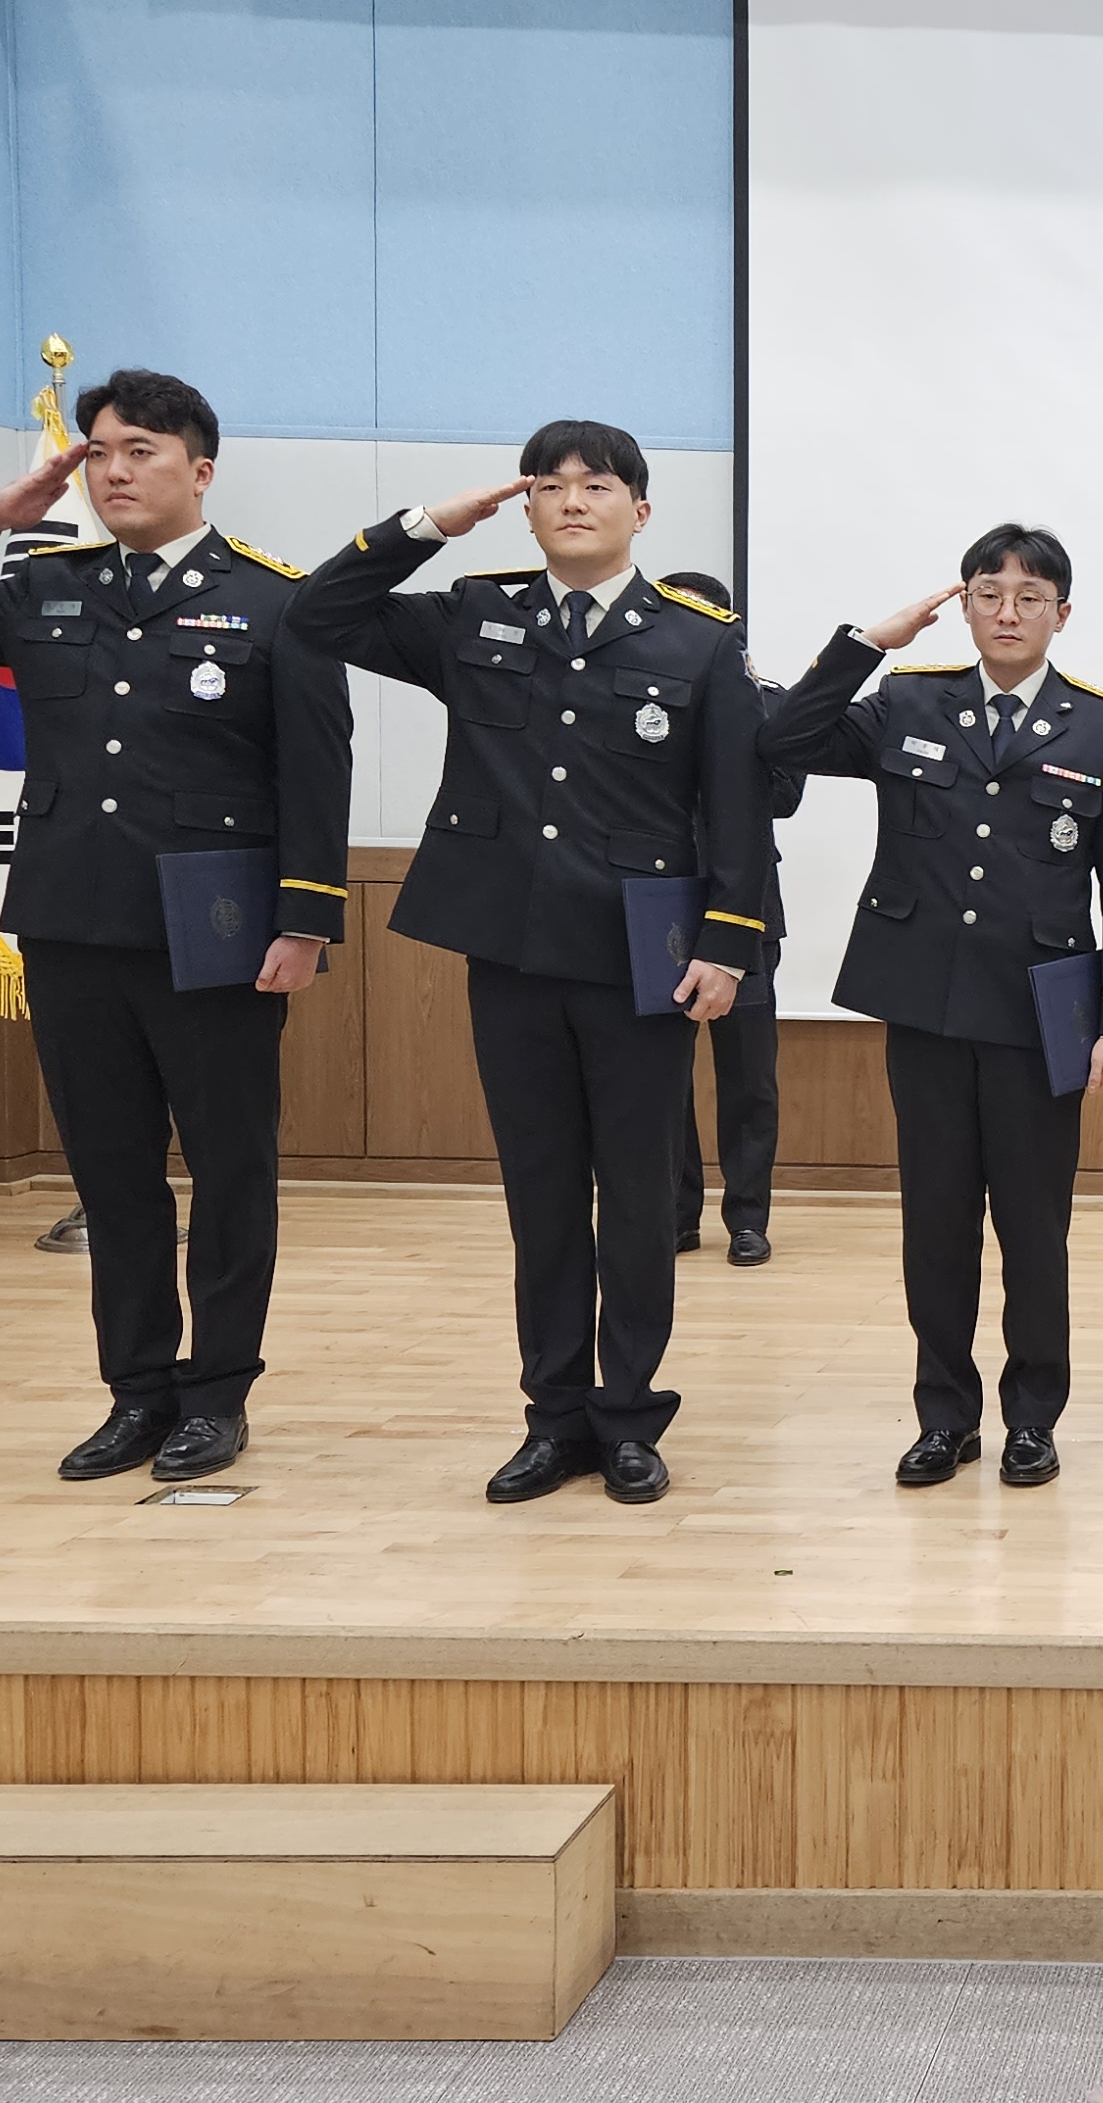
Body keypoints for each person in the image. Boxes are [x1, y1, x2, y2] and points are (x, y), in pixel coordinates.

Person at [0, 370, 352, 1486]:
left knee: (230, 1172)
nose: (115, 472)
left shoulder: (279, 601)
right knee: (112, 1175)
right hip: (72, 921)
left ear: (200, 471)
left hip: (217, 932)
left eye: (141, 452)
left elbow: (317, 772)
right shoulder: (42, 587)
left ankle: (216, 1394)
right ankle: (136, 1391)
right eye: (101, 453)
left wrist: (307, 921)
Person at [290, 421, 766, 1507]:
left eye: (596, 484)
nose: (572, 501)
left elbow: (734, 811)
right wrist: (427, 525)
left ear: (640, 510)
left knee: (637, 1198)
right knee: (541, 1195)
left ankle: (629, 1414)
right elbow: (318, 615)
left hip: (641, 957)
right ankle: (553, 1417)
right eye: (549, 486)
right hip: (511, 945)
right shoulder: (474, 615)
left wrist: (729, 946)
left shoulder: (697, 643)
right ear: (527, 509)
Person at [769, 525, 1103, 1490]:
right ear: (966, 603)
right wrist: (869, 644)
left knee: (1034, 1228)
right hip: (928, 1006)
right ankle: (944, 1417)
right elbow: (782, 740)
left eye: (1030, 598)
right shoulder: (909, 699)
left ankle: (1033, 1418)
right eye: (989, 594)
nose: (1007, 613)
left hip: (1038, 1015)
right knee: (935, 1225)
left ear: (1062, 614)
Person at [659, 570, 801, 1268]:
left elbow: (786, 795)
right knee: (660, 1072)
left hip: (744, 910)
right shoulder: (637, 694)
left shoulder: (765, 699)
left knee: (748, 1077)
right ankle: (676, 1213)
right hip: (658, 906)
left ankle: (748, 1217)